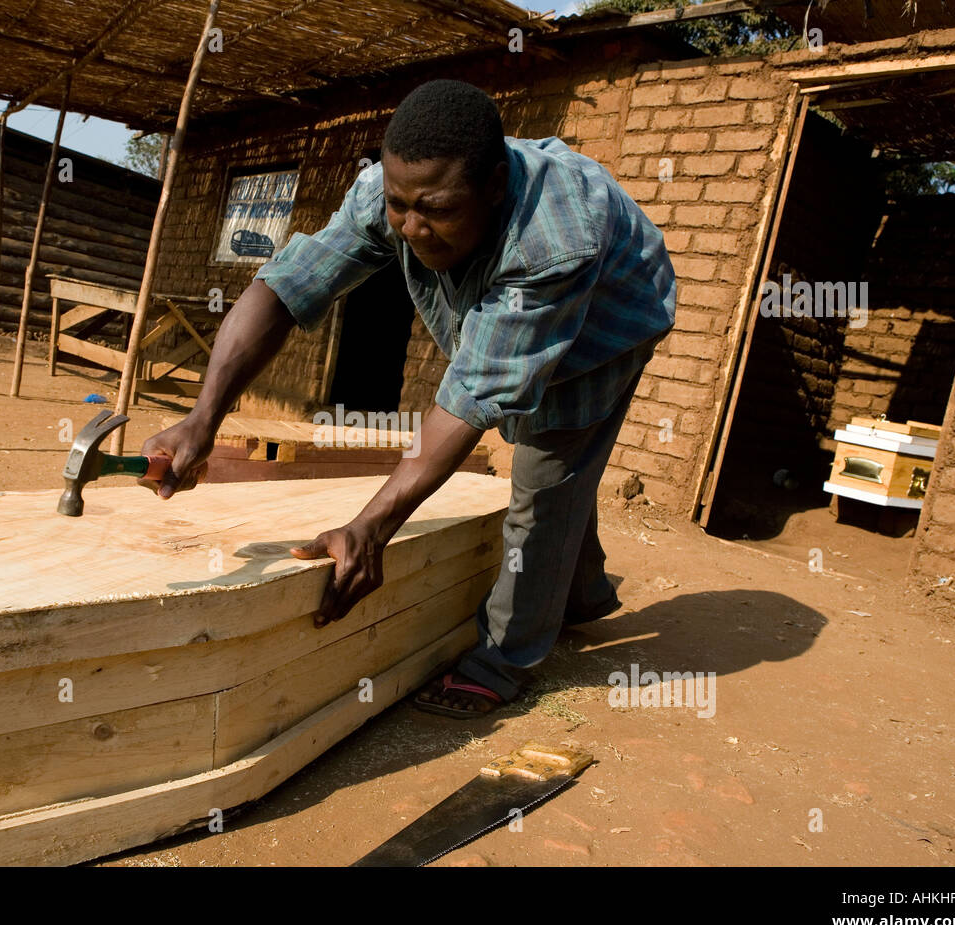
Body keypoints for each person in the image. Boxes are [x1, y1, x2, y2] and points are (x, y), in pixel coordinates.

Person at [138, 79, 676, 717]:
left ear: (494, 189)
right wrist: (203, 419)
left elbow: (474, 391)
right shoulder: (385, 193)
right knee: (557, 474)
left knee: (546, 474)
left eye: (437, 209)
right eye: (401, 205)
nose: (414, 229)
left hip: (604, 327)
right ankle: (580, 596)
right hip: (519, 300)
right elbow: (287, 287)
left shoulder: (555, 238)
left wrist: (371, 528)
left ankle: (504, 661)